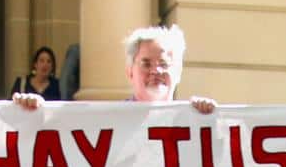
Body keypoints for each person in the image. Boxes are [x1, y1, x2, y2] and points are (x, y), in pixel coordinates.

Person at [15, 25, 215, 113]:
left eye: (163, 64)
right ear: (130, 71)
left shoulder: (196, 124)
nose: (156, 71)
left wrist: (211, 124)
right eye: (146, 63)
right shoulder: (108, 124)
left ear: (178, 72)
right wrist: (35, 117)